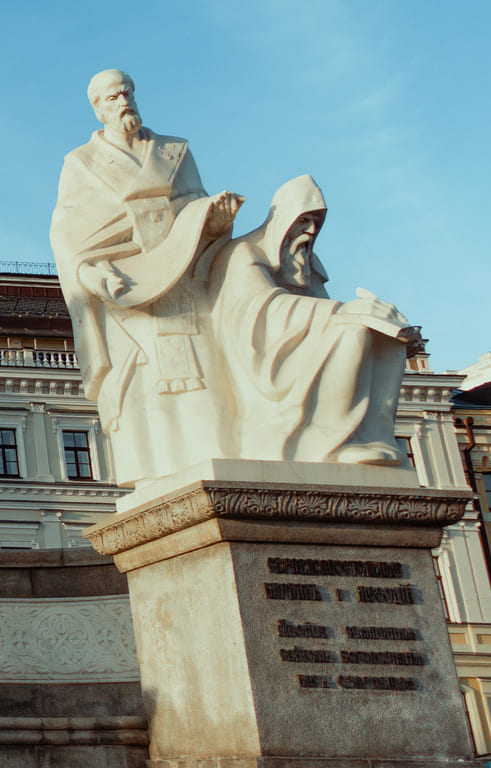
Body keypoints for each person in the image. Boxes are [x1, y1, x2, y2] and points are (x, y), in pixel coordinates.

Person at [48, 69, 242, 481]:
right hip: (126, 288)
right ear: (98, 108)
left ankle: (215, 462)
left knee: (205, 374)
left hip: (183, 282)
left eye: (127, 92)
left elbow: (195, 205)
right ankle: (159, 476)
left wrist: (215, 221)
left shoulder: (174, 151)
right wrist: (92, 273)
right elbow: (69, 236)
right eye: (113, 97)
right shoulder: (81, 163)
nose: (123, 102)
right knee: (144, 383)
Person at [206, 175, 413, 464]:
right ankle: (331, 442)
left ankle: (368, 436)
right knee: (352, 334)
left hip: (303, 338)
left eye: (316, 222)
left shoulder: (306, 262)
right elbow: (261, 309)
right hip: (262, 349)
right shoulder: (247, 252)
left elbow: (324, 305)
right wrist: (342, 312)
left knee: (378, 337)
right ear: (285, 219)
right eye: (304, 220)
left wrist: (372, 316)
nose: (311, 229)